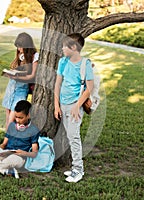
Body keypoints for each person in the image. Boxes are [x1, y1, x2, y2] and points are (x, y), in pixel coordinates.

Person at [54, 33, 94, 183]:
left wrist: (77, 106)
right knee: (71, 136)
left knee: (73, 136)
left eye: (65, 46)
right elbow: (58, 84)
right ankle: (74, 167)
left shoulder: (85, 64)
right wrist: (56, 105)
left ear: (74, 48)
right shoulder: (63, 62)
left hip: (74, 106)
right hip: (63, 104)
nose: (63, 48)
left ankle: (78, 170)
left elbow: (89, 88)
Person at [0, 100, 40, 179]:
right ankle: (5, 170)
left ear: (28, 115)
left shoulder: (33, 130)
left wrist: (24, 153)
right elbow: (4, 144)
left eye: (20, 118)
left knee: (12, 161)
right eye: (16, 117)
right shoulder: (12, 125)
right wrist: (0, 149)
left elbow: (34, 154)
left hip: (19, 157)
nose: (18, 120)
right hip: (5, 154)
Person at [2, 32, 39, 130]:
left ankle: (7, 139)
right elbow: (18, 69)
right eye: (17, 47)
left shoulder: (35, 56)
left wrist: (18, 77)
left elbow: (32, 76)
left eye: (20, 47)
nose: (19, 49)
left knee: (13, 117)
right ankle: (8, 137)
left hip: (21, 89)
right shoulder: (21, 54)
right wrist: (12, 73)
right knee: (8, 114)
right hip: (11, 87)